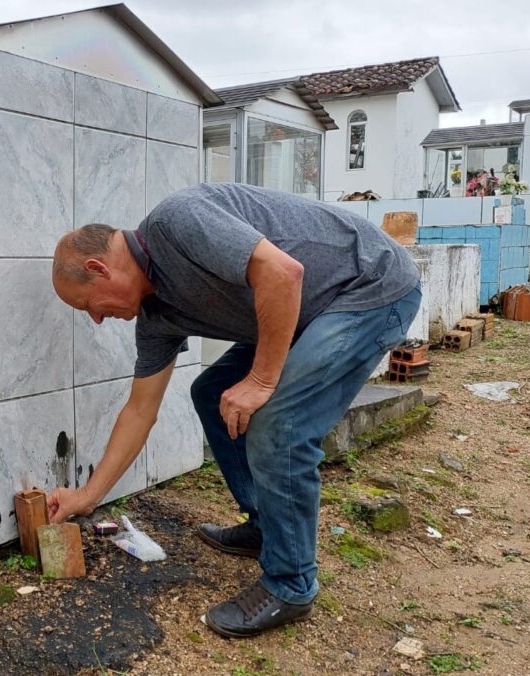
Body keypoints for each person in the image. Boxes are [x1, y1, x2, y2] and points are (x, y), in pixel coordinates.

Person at [46, 182, 421, 638]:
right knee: (212, 391)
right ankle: (266, 525)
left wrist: (262, 381)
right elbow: (139, 411)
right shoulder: (157, 318)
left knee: (281, 425)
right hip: (307, 310)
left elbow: (283, 274)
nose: (97, 319)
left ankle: (290, 585)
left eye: (88, 306)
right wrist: (87, 497)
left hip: (367, 286)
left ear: (98, 268)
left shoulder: (177, 222)